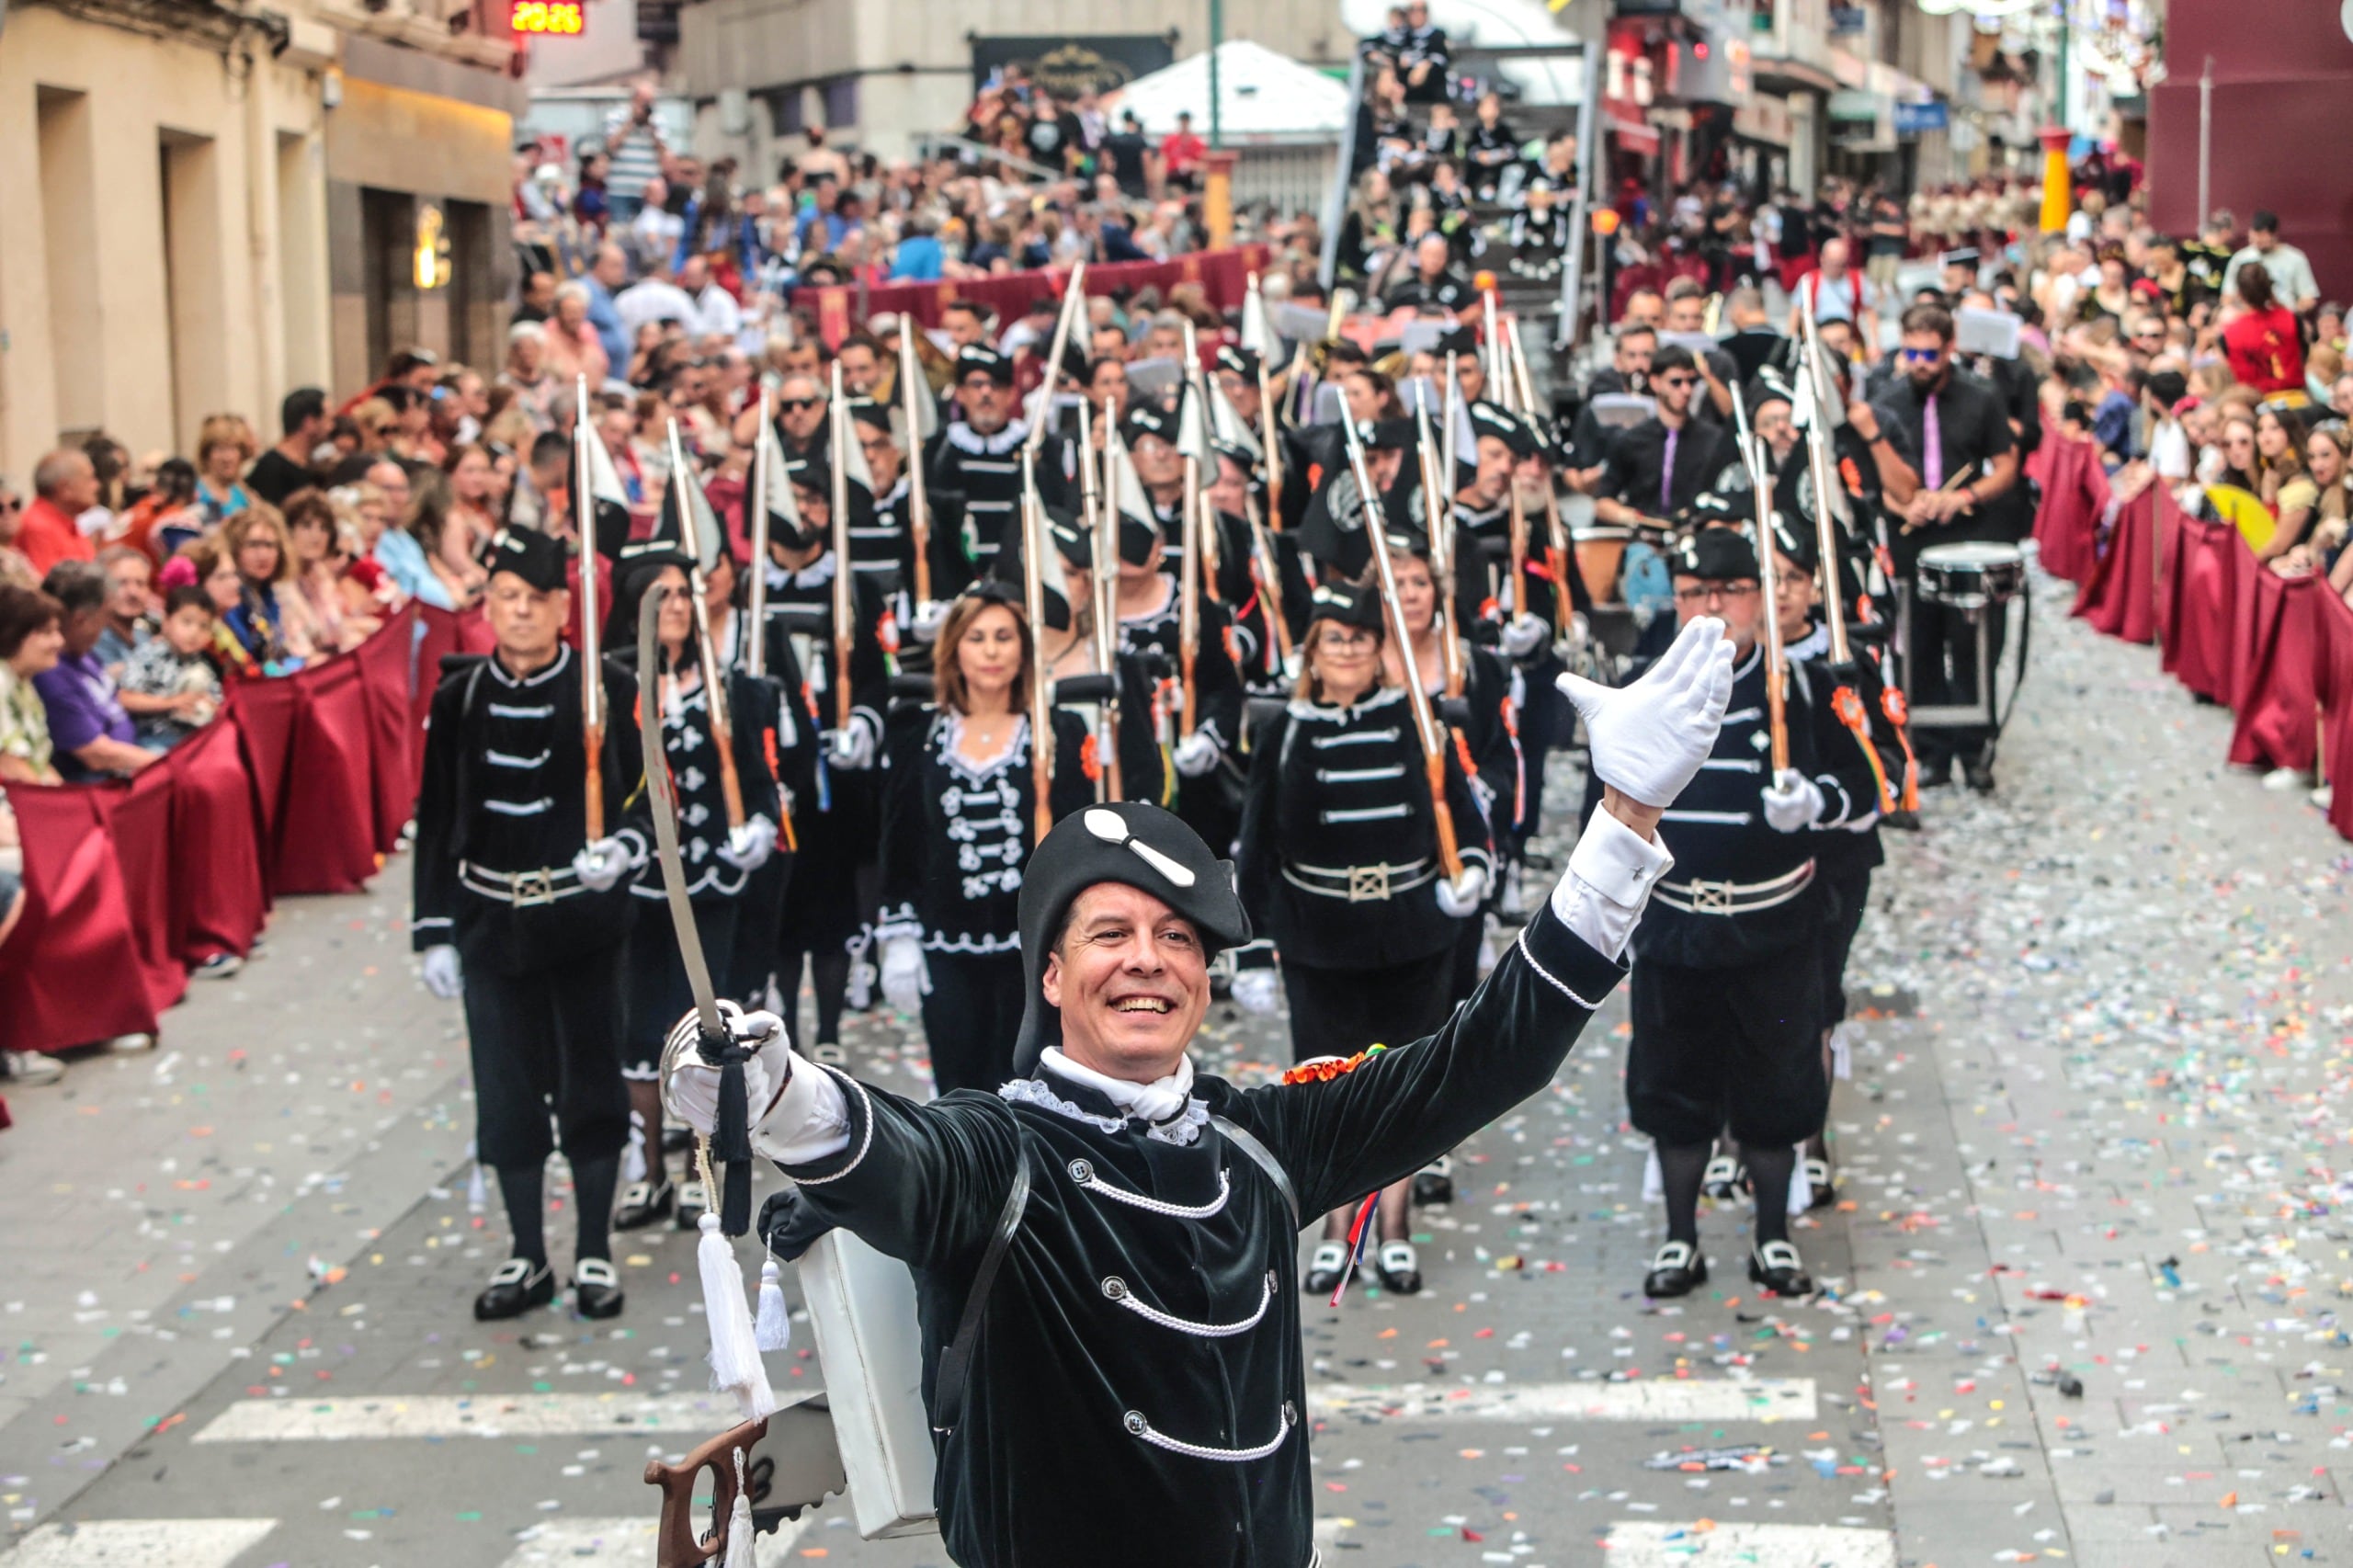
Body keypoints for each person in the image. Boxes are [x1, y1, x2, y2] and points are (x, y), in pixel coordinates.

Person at [664, 610, 1727, 1568]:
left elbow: (1490, 1055)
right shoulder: (1001, 1152)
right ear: (1050, 970)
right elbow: (894, 1153)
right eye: (1111, 934)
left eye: (1175, 938)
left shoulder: (1258, 1140)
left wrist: (1624, 816)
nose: (1147, 960)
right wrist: (773, 1090)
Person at [1594, 527, 1875, 1301]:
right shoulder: (1647, 688)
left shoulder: (1802, 688)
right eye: (1695, 593)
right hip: (1679, 927)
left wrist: (1818, 802)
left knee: (1777, 1091)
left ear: (1758, 600)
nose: (1713, 608)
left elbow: (1870, 787)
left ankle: (1774, 1239)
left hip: (1774, 927)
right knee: (1674, 1091)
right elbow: (1611, 809)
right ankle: (1680, 1239)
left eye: (1731, 592)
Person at [1228, 575, 1495, 1295]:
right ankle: (1336, 1228)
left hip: (1411, 929)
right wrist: (1252, 947)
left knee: (1404, 1084)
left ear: (1382, 650)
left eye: (1360, 639)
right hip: (1318, 936)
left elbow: (1465, 821)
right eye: (1334, 639)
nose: (1346, 651)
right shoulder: (1284, 731)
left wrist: (1469, 873)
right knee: (1328, 1084)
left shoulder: (1418, 719)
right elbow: (1256, 848)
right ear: (1313, 651)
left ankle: (1394, 1227)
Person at [412, 528, 647, 1321]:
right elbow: (438, 818)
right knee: (505, 1095)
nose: (519, 613)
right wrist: (432, 928)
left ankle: (591, 1251)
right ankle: (525, 1255)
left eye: (535, 599)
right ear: (487, 608)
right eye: (504, 598)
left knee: (590, 1088)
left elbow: (645, 802)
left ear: (561, 608)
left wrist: (624, 847)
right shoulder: (459, 697)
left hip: (582, 922)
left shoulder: (602, 686)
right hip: (490, 923)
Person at [606, 547, 780, 1233]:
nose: (679, 604)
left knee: (703, 1026)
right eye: (662, 595)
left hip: (714, 880)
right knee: (640, 1027)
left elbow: (762, 778)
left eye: (685, 592)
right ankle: (648, 1165)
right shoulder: (615, 687)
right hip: (642, 884)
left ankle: (694, 1162)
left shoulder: (733, 687)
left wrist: (760, 826)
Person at [877, 586, 1096, 1094]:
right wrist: (900, 934)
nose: (992, 651)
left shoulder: (1054, 731)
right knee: (959, 1086)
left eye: (1004, 637)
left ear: (1023, 649)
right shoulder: (920, 736)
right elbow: (901, 837)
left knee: (1029, 1085)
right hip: (944, 942)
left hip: (1035, 950)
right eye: (977, 638)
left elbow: (1080, 835)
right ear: (954, 649)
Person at [1869, 302, 2018, 791]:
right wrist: (1898, 506)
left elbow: (2006, 466)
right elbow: (1868, 475)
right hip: (1912, 538)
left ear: (1950, 349)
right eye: (1911, 351)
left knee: (1975, 646)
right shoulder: (1886, 399)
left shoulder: (1982, 398)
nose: (1919, 362)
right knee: (1919, 646)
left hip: (1969, 537)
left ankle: (1975, 748)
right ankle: (1930, 750)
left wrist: (1963, 497)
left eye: (1929, 353)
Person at [31, 561, 153, 780]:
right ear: (81, 619)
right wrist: (167, 764)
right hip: (100, 785)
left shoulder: (82, 652)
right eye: (104, 616)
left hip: (132, 758)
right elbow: (97, 754)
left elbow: (116, 697)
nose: (105, 625)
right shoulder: (49, 671)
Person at [1591, 346, 1729, 534]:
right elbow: (1603, 500)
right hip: (1644, 537)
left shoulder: (1713, 439)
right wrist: (1632, 517)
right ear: (1655, 382)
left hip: (1697, 538)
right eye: (1676, 382)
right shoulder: (1631, 440)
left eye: (1691, 381)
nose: (1686, 390)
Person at [119, 585, 224, 753]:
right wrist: (171, 703)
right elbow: (125, 698)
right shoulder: (149, 655)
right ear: (166, 622)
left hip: (194, 737)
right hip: (153, 738)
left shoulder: (203, 665)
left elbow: (217, 704)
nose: (194, 632)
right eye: (187, 622)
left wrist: (208, 706)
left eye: (203, 626)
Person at [220, 504, 319, 669]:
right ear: (234, 550)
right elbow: (251, 657)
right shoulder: (232, 596)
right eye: (253, 545)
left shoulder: (268, 593)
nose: (263, 555)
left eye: (270, 545)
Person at [0, 584, 67, 787]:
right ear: (13, 634)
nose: (59, 641)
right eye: (48, 633)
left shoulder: (23, 683)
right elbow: (9, 765)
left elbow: (39, 763)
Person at [2222, 264, 2306, 396]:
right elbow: (2304, 356)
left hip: (2254, 402)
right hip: (2297, 397)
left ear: (2239, 294)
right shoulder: (2292, 319)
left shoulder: (2229, 332)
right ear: (2270, 288)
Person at [18, 449, 100, 578]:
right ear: (65, 489)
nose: (96, 486)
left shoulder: (67, 523)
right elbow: (49, 590)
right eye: (89, 479)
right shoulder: (38, 527)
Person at [2222, 210, 2320, 318]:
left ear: (2274, 234)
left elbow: (2308, 298)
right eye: (2255, 236)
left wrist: (2292, 314)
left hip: (2283, 315)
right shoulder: (2240, 258)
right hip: (2248, 317)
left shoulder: (2296, 258)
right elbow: (2227, 297)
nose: (2259, 241)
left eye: (2263, 236)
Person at [247, 389, 329, 506]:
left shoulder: (314, 467)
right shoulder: (271, 469)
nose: (332, 427)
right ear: (309, 422)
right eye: (328, 419)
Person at [91, 546, 154, 674]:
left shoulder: (143, 636)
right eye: (122, 583)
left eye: (140, 583)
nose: (133, 592)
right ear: (99, 588)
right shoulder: (91, 638)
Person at [194, 415, 257, 527]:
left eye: (233, 449)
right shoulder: (194, 491)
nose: (227, 458)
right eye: (220, 449)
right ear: (206, 454)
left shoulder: (245, 495)